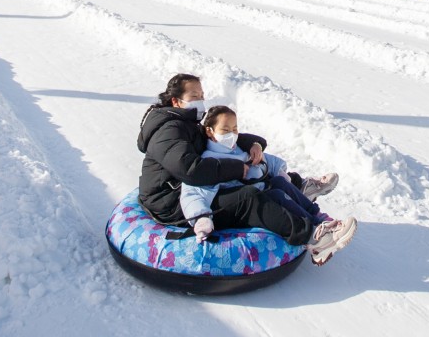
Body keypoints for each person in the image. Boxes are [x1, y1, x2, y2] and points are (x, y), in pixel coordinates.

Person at [137, 73, 351, 265]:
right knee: (248, 196)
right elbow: (190, 170)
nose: (201, 101)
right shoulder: (168, 130)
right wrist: (239, 169)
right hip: (172, 201)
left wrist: (253, 145)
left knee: (268, 180)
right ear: (176, 101)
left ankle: (298, 188)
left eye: (202, 95)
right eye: (194, 96)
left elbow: (215, 138)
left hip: (190, 186)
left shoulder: (185, 121)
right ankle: (314, 238)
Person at [181, 105, 356, 264]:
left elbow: (265, 159)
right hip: (237, 205)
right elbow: (193, 192)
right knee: (267, 195)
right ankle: (314, 237)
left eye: (235, 129)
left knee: (279, 185)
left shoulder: (238, 148)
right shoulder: (208, 160)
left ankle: (320, 221)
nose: (231, 134)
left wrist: (279, 170)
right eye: (225, 129)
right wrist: (201, 218)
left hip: (257, 190)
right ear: (210, 131)